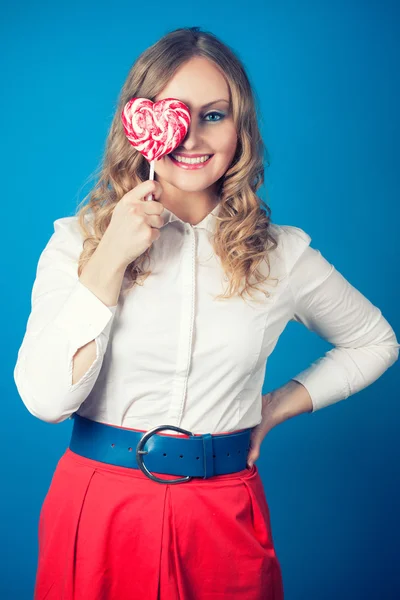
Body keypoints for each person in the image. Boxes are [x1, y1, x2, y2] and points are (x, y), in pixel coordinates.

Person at [14, 26, 399, 600]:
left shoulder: (281, 253)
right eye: (173, 112)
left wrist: (272, 410)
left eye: (214, 115)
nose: (190, 135)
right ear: (137, 123)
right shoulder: (76, 243)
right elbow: (45, 402)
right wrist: (111, 259)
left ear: (239, 126)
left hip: (223, 512)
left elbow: (376, 341)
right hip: (100, 507)